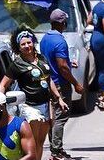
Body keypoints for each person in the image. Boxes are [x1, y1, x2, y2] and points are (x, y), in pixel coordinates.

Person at [0, 26, 66, 160]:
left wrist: (58, 98)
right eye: (23, 44)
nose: (27, 46)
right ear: (18, 47)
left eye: (29, 42)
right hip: (30, 107)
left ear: (33, 42)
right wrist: (1, 102)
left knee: (41, 142)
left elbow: (48, 79)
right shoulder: (17, 64)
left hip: (46, 105)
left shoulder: (42, 59)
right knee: (33, 143)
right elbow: (3, 84)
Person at [40, 9, 84, 160]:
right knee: (61, 117)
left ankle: (56, 149)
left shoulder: (45, 39)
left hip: (49, 82)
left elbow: (51, 60)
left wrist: (68, 63)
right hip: (60, 84)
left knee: (54, 117)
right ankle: (56, 152)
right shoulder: (60, 41)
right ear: (62, 23)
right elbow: (62, 67)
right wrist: (76, 83)